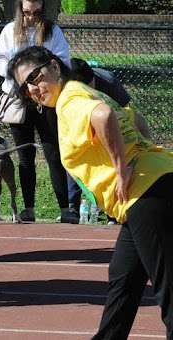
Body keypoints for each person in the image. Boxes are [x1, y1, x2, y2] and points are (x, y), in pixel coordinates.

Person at [7, 45, 173, 339]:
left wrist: (122, 167)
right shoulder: (86, 91)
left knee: (168, 289)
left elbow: (104, 115)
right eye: (25, 87)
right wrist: (140, 152)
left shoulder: (70, 100)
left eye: (35, 77)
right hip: (148, 189)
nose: (33, 88)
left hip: (147, 194)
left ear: (55, 67)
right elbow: (135, 119)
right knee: (123, 279)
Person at [0, 0, 77, 223]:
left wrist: (40, 73)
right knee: (25, 156)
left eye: (36, 13)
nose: (31, 17)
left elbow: (63, 59)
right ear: (20, 10)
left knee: (54, 153)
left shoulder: (52, 31)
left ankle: (66, 209)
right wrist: (16, 73)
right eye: (27, 12)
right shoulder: (10, 30)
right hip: (19, 98)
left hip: (46, 98)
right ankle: (28, 208)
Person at [68, 58, 151, 226]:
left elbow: (133, 117)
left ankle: (114, 211)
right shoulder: (67, 98)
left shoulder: (109, 85)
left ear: (92, 81)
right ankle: (73, 207)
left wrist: (145, 146)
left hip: (120, 134)